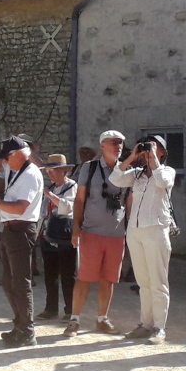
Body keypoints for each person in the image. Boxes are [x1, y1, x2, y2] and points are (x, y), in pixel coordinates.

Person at [0, 136, 44, 346]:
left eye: (8, 157)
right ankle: (20, 324)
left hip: (21, 229)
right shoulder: (17, 170)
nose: (5, 162)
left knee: (21, 282)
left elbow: (21, 207)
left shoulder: (30, 174)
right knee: (8, 281)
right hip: (10, 230)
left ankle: (27, 331)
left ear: (18, 154)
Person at [110, 138, 176, 345]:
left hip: (156, 229)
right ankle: (145, 324)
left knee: (158, 281)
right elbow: (115, 178)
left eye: (153, 147)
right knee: (143, 282)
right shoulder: (137, 174)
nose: (148, 150)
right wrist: (132, 155)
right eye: (146, 147)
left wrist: (153, 157)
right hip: (135, 231)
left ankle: (159, 327)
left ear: (163, 152)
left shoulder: (167, 171)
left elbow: (162, 182)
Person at [64, 130, 128, 337]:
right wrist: (76, 229)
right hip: (91, 232)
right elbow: (80, 200)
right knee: (83, 277)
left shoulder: (125, 170)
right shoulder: (89, 168)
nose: (118, 146)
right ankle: (74, 320)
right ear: (103, 145)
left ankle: (102, 319)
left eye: (120, 143)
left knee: (108, 279)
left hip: (117, 234)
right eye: (114, 143)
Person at [37, 154, 77, 320]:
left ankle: (70, 311)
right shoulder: (52, 188)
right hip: (49, 236)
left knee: (68, 276)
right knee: (50, 275)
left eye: (53, 170)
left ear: (64, 171)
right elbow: (43, 212)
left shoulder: (72, 186)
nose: (49, 173)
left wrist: (50, 196)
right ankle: (51, 309)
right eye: (48, 170)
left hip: (66, 238)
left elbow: (68, 207)